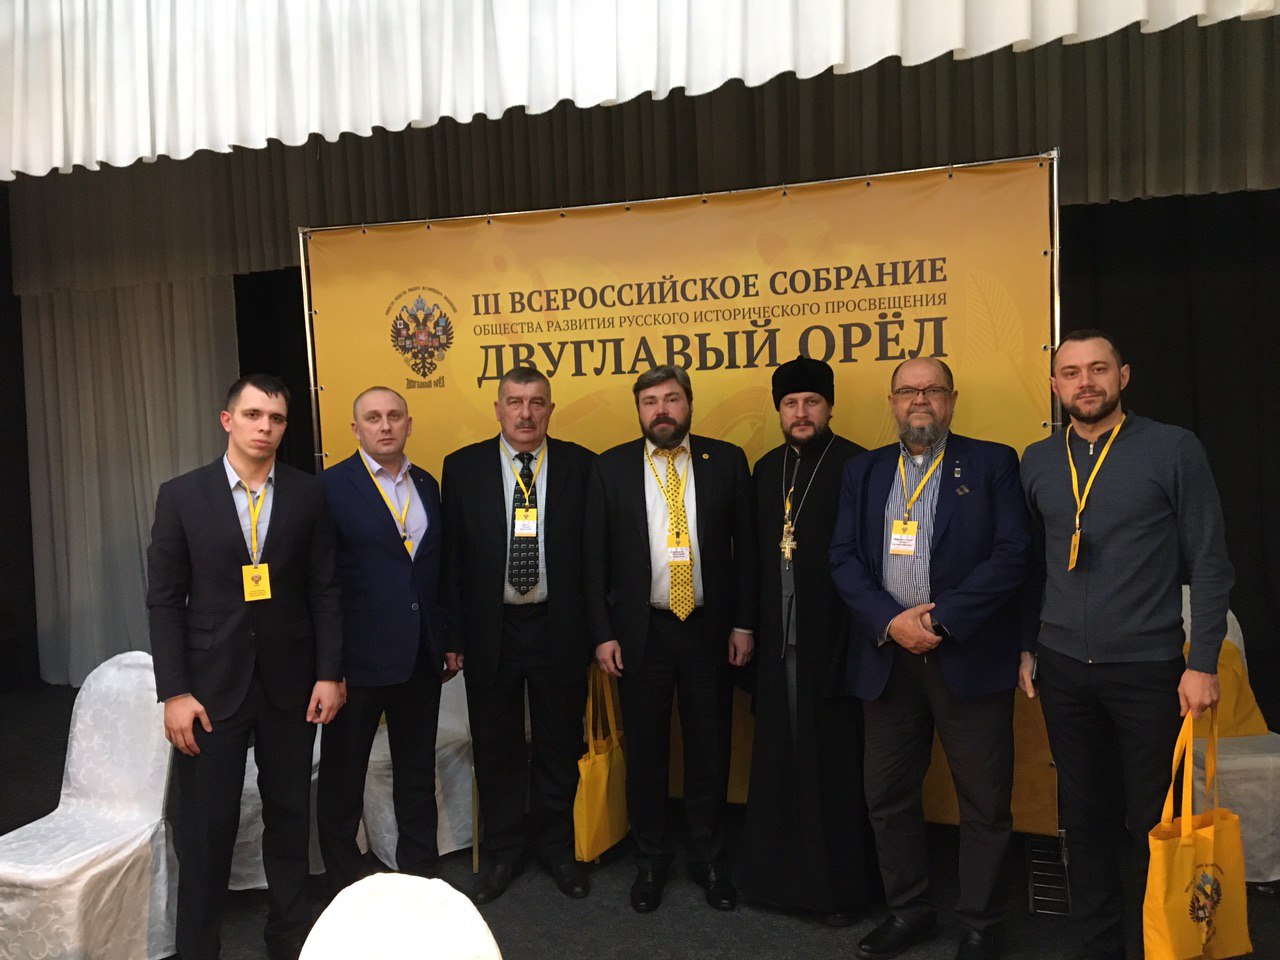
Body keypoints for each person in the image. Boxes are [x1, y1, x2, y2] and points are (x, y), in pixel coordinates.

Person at [1019, 329, 1232, 960]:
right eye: (1071, 373)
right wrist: (1027, 646)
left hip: (1148, 669)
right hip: (1062, 669)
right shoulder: (1038, 459)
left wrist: (1202, 662)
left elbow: (1211, 561)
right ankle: (1098, 945)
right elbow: (1030, 566)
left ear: (1123, 376)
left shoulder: (1173, 448)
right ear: (1055, 385)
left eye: (1098, 369)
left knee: (1150, 821)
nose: (1085, 382)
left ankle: (1154, 945)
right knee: (1084, 818)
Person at [829, 357, 1030, 960]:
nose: (920, 400)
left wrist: (939, 621)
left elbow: (1012, 554)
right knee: (887, 795)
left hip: (966, 654)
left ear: (952, 399)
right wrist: (892, 622)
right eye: (908, 391)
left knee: (984, 802)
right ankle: (909, 911)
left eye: (933, 390)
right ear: (892, 401)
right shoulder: (863, 471)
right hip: (888, 658)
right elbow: (843, 557)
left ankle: (981, 924)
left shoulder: (993, 462)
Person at [147, 374, 343, 960]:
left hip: (291, 684)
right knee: (207, 828)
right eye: (254, 415)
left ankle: (289, 937)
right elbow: (165, 601)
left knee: (289, 816)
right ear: (227, 420)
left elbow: (325, 589)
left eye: (276, 419)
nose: (265, 427)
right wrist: (174, 692)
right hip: (209, 689)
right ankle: (197, 949)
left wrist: (329, 672)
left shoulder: (309, 495)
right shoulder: (182, 496)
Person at [584, 364, 755, 914]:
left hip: (708, 629)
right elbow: (594, 560)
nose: (661, 410)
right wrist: (603, 634)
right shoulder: (610, 467)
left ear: (689, 404)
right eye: (650, 401)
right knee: (647, 752)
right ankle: (651, 859)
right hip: (641, 633)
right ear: (638, 410)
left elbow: (748, 553)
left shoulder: (726, 461)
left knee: (710, 748)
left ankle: (708, 858)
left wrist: (744, 623)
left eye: (672, 399)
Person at [441, 366, 595, 903]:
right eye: (514, 402)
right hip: (492, 628)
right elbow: (452, 560)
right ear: (498, 409)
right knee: (496, 742)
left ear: (550, 408)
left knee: (559, 740)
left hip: (559, 624)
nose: (525, 414)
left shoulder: (581, 465)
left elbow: (595, 557)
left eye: (536, 402)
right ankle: (504, 850)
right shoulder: (463, 468)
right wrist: (453, 636)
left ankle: (556, 847)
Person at [738, 356, 874, 925]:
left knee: (833, 763)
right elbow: (751, 555)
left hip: (834, 640)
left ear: (829, 406)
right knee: (778, 757)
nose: (801, 413)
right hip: (776, 641)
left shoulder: (858, 465)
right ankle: (773, 882)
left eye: (811, 402)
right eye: (790, 403)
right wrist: (745, 625)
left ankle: (837, 891)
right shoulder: (766, 469)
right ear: (779, 410)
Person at [316, 386, 450, 894]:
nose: (385, 425)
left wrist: (446, 637)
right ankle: (344, 882)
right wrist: (329, 667)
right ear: (356, 429)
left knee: (416, 771)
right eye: (373, 418)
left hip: (419, 656)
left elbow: (435, 572)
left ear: (409, 424)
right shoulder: (330, 488)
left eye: (395, 416)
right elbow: (321, 583)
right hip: (356, 661)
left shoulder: (427, 484)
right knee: (343, 779)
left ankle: (420, 872)